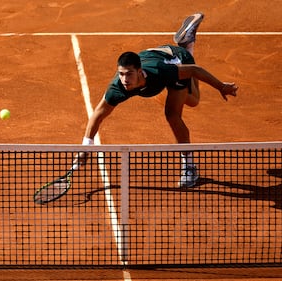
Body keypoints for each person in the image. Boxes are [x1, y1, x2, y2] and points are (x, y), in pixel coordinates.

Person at [77, 12, 238, 188]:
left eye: (129, 74)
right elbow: (98, 115)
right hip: (155, 56)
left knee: (185, 106)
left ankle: (186, 46)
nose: (125, 79)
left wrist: (221, 86)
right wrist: (86, 147)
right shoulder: (117, 88)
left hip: (175, 59)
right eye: (121, 74)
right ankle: (190, 166)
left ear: (139, 72)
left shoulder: (160, 72)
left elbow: (194, 70)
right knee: (173, 105)